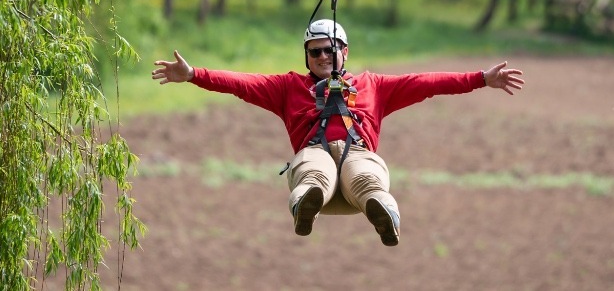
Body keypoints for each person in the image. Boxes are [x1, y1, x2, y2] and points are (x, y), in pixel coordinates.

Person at [151, 19, 524, 247]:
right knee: (316, 169)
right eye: (315, 53)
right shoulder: (287, 87)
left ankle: (382, 210)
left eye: (329, 51)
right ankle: (307, 203)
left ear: (345, 50)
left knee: (364, 172)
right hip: (317, 169)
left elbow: (425, 83)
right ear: (306, 56)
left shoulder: (373, 85)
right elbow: (241, 83)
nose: (322, 58)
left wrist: (479, 79)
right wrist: (195, 74)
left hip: (356, 167)